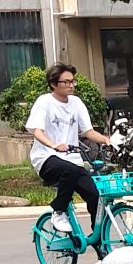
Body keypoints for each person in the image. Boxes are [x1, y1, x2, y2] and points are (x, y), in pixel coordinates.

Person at [27, 63, 113, 232]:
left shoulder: (76, 103)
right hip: (46, 158)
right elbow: (37, 131)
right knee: (70, 170)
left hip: (72, 160)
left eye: (73, 81)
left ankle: (99, 240)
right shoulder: (44, 102)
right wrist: (54, 145)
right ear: (54, 84)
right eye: (66, 82)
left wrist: (106, 140)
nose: (71, 85)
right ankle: (58, 211)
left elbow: (88, 131)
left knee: (94, 195)